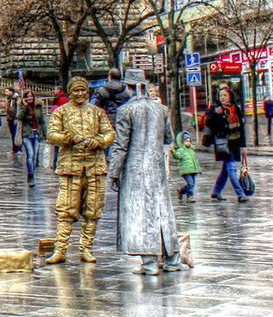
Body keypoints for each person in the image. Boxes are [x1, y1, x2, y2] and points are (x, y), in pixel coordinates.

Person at [110, 86, 185, 274]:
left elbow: (121, 145)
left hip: (135, 168)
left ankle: (150, 262)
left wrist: (114, 172)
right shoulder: (162, 109)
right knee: (163, 211)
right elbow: (168, 137)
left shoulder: (125, 110)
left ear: (129, 87)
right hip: (157, 166)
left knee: (141, 213)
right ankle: (173, 259)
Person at [44, 78, 114, 264]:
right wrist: (68, 138)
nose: (80, 93)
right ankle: (60, 249)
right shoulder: (61, 112)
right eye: (76, 90)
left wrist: (98, 142)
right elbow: (51, 135)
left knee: (93, 210)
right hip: (70, 167)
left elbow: (109, 134)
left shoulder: (97, 112)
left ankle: (87, 248)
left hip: (94, 167)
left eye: (83, 90)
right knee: (66, 210)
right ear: (70, 92)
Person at [203, 92, 248, 203]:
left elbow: (241, 128)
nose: (222, 97)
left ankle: (216, 191)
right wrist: (215, 114)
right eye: (221, 95)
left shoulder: (236, 109)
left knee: (226, 170)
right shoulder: (215, 109)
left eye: (225, 95)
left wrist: (244, 146)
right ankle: (240, 194)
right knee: (231, 168)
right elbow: (208, 123)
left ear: (230, 96)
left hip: (234, 143)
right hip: (222, 144)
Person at [15, 88, 46, 183]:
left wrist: (46, 134)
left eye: (31, 96)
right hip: (26, 134)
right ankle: (31, 176)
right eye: (27, 97)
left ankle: (31, 173)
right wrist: (25, 107)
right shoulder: (21, 106)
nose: (29, 98)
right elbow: (19, 117)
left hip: (37, 133)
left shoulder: (38, 106)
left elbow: (42, 121)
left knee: (35, 156)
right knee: (30, 154)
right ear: (24, 98)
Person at [171, 131, 201, 200]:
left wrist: (197, 169)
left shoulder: (191, 150)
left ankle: (181, 191)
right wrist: (173, 152)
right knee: (191, 184)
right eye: (186, 141)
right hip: (186, 170)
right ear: (182, 142)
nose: (188, 143)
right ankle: (189, 197)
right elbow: (177, 156)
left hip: (193, 170)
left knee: (191, 184)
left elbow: (195, 160)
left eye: (189, 141)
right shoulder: (181, 150)